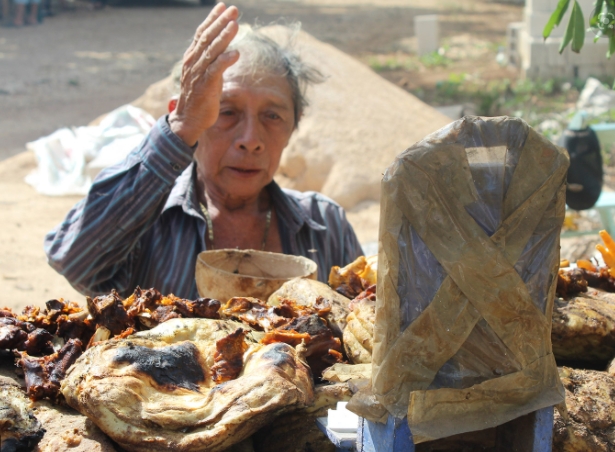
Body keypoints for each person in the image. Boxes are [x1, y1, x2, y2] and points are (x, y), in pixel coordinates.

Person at [45, 3, 363, 300]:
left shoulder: (324, 225)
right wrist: (181, 126)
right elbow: (75, 262)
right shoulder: (144, 220)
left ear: (295, 125)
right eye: (226, 112)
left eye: (273, 116)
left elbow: (368, 324)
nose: (251, 139)